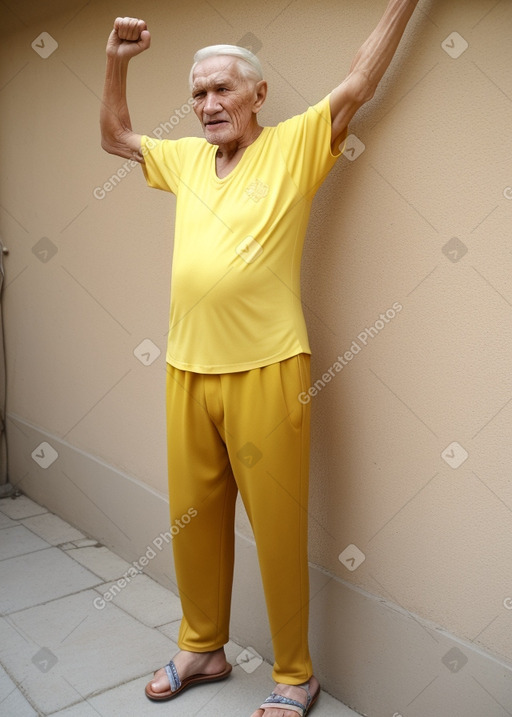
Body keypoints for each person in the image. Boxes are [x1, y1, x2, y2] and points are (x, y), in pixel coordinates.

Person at [100, 2, 421, 715]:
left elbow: (360, 80)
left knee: (276, 529)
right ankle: (202, 645)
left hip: (270, 369)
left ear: (258, 96)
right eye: (198, 92)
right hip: (186, 368)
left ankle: (295, 673)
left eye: (222, 88)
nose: (208, 103)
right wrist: (118, 62)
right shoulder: (185, 158)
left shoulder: (297, 143)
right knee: (193, 521)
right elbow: (116, 137)